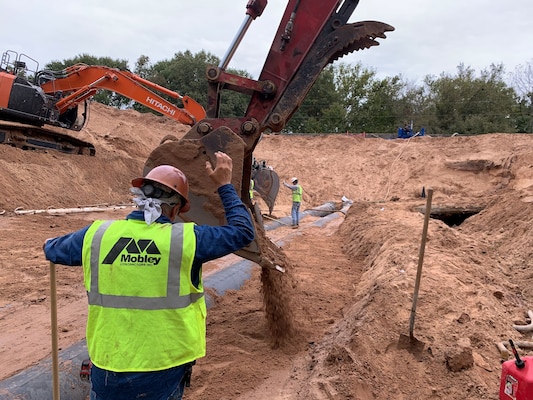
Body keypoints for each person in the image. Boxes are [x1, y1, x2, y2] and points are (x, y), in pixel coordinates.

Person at [43, 151, 254, 400]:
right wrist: (225, 187)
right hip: (163, 365)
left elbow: (52, 249)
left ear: (139, 199)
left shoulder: (96, 234)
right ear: (175, 209)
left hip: (107, 363)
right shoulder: (187, 239)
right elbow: (242, 232)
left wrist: (50, 243)